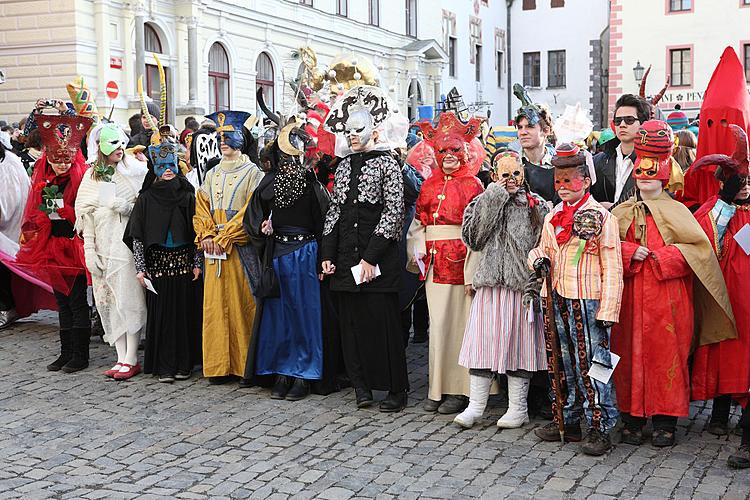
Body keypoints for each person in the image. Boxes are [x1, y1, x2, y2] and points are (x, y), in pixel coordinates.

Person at [611, 120, 736, 447]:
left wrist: (663, 257)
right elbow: (607, 248)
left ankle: (665, 421)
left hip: (668, 300)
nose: (644, 179)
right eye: (640, 173)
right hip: (630, 299)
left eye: (651, 174)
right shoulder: (622, 211)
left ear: (665, 176)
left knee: (667, 357)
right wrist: (627, 253)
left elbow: (699, 251)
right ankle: (632, 419)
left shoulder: (679, 211)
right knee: (629, 355)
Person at [528, 143, 623, 456]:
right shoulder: (553, 217)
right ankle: (567, 420)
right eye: (558, 180)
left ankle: (601, 426)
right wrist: (538, 259)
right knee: (563, 362)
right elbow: (542, 249)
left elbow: (612, 266)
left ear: (586, 180)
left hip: (589, 301)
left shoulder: (601, 218)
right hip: (557, 298)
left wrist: (608, 309)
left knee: (595, 365)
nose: (562, 186)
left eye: (569, 179)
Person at [321, 85, 409, 412]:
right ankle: (361, 387)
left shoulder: (388, 164)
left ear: (373, 131)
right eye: (348, 131)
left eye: (358, 130)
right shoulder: (343, 166)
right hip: (345, 258)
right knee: (351, 326)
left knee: (382, 325)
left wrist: (371, 258)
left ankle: (395, 388)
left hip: (378, 259)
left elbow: (393, 212)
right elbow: (335, 211)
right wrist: (327, 255)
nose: (352, 136)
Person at [454, 150, 549, 428]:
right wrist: (493, 198)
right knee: (482, 345)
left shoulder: (536, 206)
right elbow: (475, 239)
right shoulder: (481, 202)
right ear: (494, 176)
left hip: (521, 288)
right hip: (490, 285)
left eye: (515, 173)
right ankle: (476, 406)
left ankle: (518, 408)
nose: (511, 180)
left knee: (519, 345)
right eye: (504, 175)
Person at [244, 117, 328, 400]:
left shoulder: (313, 186)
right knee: (278, 317)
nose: (289, 164)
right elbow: (254, 216)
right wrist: (262, 226)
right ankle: (281, 370)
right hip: (277, 256)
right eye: (284, 158)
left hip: (305, 255)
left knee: (304, 315)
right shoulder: (268, 185)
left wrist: (321, 261)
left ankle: (303, 373)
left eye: (294, 159)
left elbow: (323, 225)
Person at [408, 112, 485, 415]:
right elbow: (417, 223)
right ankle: (437, 388)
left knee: (461, 328)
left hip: (463, 265)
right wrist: (416, 252)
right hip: (434, 264)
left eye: (455, 151)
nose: (449, 157)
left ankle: (460, 391)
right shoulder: (428, 186)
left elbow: (479, 230)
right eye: (443, 151)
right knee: (437, 327)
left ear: (465, 152)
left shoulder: (473, 185)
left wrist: (474, 270)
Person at [689, 124, 750, 468]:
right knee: (725, 350)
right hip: (725, 297)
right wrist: (726, 200)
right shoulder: (717, 208)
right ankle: (720, 411)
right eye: (736, 182)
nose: (744, 188)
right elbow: (704, 239)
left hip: (749, 299)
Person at [16, 113, 92, 372]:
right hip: (51, 246)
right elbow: (34, 211)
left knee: (77, 300)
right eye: (56, 160)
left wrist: (66, 212)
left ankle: (80, 355)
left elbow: (87, 212)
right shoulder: (43, 177)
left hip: (73, 246)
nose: (61, 166)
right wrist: (45, 213)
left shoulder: (81, 177)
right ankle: (66, 351)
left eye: (65, 160)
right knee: (62, 300)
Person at [194, 110, 263, 386]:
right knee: (215, 307)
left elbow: (251, 212)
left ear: (240, 138)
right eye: (220, 137)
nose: (223, 142)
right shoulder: (211, 174)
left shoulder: (253, 173)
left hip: (238, 250)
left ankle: (244, 365)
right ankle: (218, 364)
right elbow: (202, 206)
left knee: (242, 304)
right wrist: (208, 234)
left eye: (228, 136)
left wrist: (227, 236)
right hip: (214, 251)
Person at [124, 141, 203, 383]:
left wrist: (197, 261)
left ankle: (184, 363)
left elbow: (198, 232)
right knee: (162, 316)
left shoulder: (188, 195)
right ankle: (164, 365)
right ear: (154, 168)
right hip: (157, 264)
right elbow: (137, 235)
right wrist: (140, 268)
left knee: (183, 313)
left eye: (171, 165)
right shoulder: (146, 199)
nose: (168, 169)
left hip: (184, 264)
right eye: (162, 165)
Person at [75, 123, 148, 380]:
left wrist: (123, 205)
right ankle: (119, 357)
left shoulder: (135, 171)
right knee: (109, 301)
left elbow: (144, 205)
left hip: (125, 247)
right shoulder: (92, 176)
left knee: (128, 299)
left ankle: (131, 358)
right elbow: (86, 214)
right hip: (103, 248)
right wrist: (90, 251)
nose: (118, 149)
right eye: (112, 144)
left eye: (120, 143)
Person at [591, 94, 651, 208]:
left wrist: (616, 208)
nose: (622, 125)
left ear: (643, 124)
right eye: (618, 121)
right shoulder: (597, 162)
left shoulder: (653, 163)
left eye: (629, 120)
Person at [512, 85, 557, 204]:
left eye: (530, 127)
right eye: (520, 127)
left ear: (546, 131)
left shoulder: (558, 164)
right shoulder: (512, 163)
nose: (523, 132)